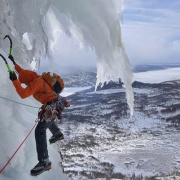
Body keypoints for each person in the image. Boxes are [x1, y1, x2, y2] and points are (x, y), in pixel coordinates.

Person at [8, 55, 68, 176]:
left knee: (40, 130)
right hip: (56, 104)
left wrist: (15, 80)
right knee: (46, 119)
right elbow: (22, 72)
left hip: (51, 106)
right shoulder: (36, 76)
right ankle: (57, 133)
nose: (24, 83)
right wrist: (14, 63)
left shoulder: (36, 82)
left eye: (24, 82)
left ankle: (44, 162)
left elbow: (23, 94)